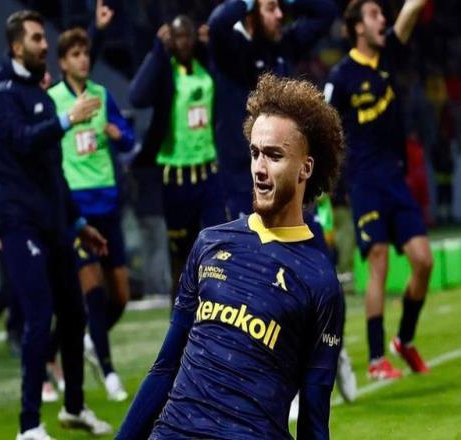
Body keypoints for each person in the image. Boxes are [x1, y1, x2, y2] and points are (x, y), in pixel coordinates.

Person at [116, 73, 345, 440]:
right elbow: (164, 369)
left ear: (306, 167)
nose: (259, 169)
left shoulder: (319, 281)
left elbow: (313, 422)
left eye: (274, 156)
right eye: (255, 153)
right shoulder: (210, 243)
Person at [0, 10, 112, 439]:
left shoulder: (39, 96)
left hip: (54, 224)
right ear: (17, 46)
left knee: (74, 314)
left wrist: (79, 223)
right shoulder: (2, 98)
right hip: (19, 224)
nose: (45, 45)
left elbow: (54, 174)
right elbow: (23, 141)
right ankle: (28, 426)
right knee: (39, 317)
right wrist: (66, 120)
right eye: (37, 39)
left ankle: (74, 407)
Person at [324, 0, 432, 380]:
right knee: (379, 260)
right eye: (374, 15)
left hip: (395, 181)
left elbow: (411, 11)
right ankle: (375, 360)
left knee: (424, 261)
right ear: (357, 27)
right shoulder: (341, 76)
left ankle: (404, 339)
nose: (382, 19)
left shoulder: (388, 58)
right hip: (365, 182)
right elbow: (324, 125)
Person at [48, 26, 135, 402]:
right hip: (76, 208)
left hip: (108, 204)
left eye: (85, 53)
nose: (83, 59)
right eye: (75, 54)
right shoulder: (53, 100)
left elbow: (128, 137)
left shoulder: (101, 95)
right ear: (63, 62)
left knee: (120, 296)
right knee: (94, 294)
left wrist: (120, 135)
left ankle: (80, 341)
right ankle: (109, 370)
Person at [208, 0, 337, 218]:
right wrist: (247, 2)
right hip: (243, 180)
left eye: (280, 7)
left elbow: (327, 12)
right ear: (251, 16)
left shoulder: (284, 45)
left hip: (287, 173)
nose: (279, 15)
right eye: (270, 8)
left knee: (310, 239)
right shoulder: (232, 51)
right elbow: (217, 24)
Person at [129, 15, 227, 300]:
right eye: (177, 36)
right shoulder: (165, 72)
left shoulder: (207, 68)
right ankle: (181, 319)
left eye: (187, 35)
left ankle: (217, 314)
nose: (183, 42)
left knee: (218, 249)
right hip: (176, 178)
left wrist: (213, 46)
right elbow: (136, 97)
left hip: (208, 174)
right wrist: (157, 50)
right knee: (182, 260)